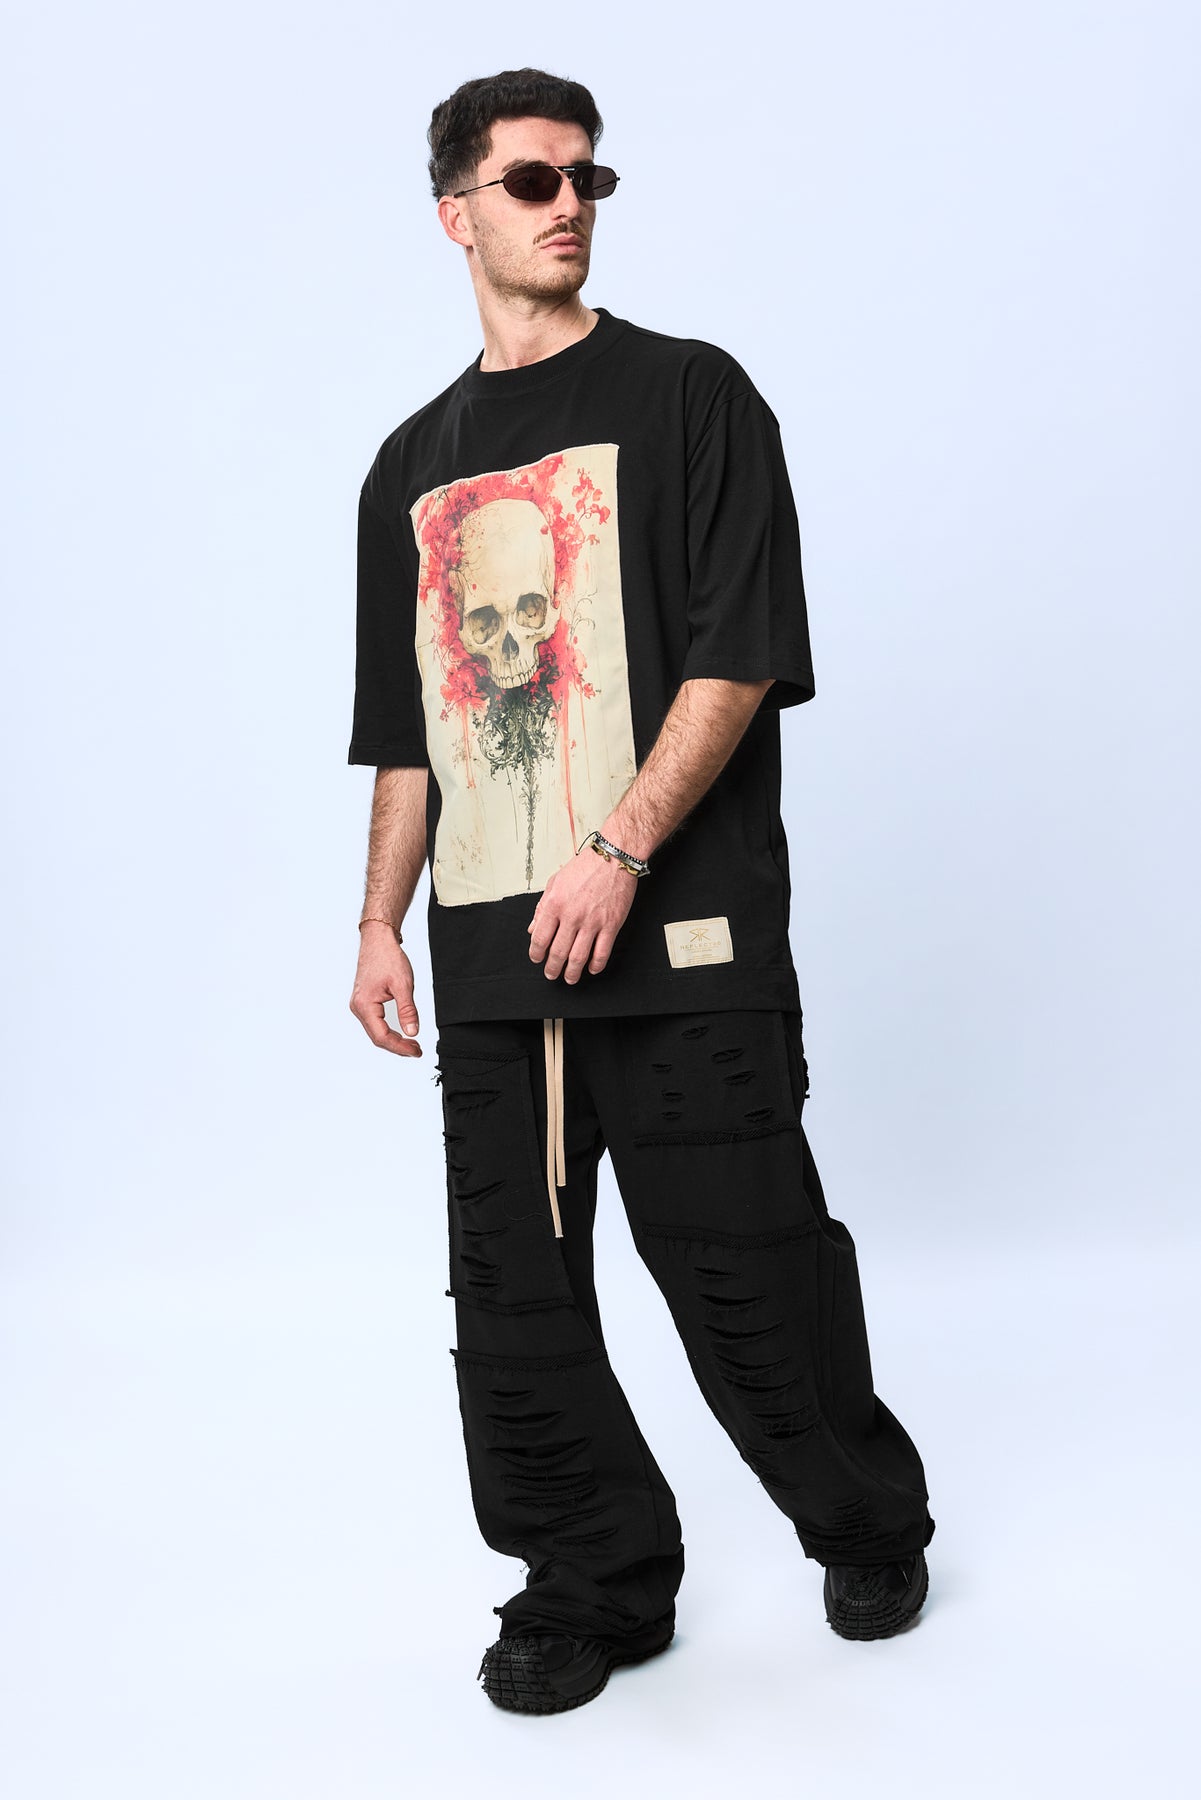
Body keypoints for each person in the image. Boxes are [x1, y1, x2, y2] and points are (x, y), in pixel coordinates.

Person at [347, 66, 936, 1716]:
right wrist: (377, 922)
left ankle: (864, 1520)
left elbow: (739, 654)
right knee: (512, 1310)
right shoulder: (409, 465)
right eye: (531, 179)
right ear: (455, 212)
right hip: (488, 960)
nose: (567, 206)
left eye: (587, 180)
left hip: (681, 936)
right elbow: (404, 728)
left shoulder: (690, 396)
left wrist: (613, 853)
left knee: (748, 1272)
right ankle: (588, 1580)